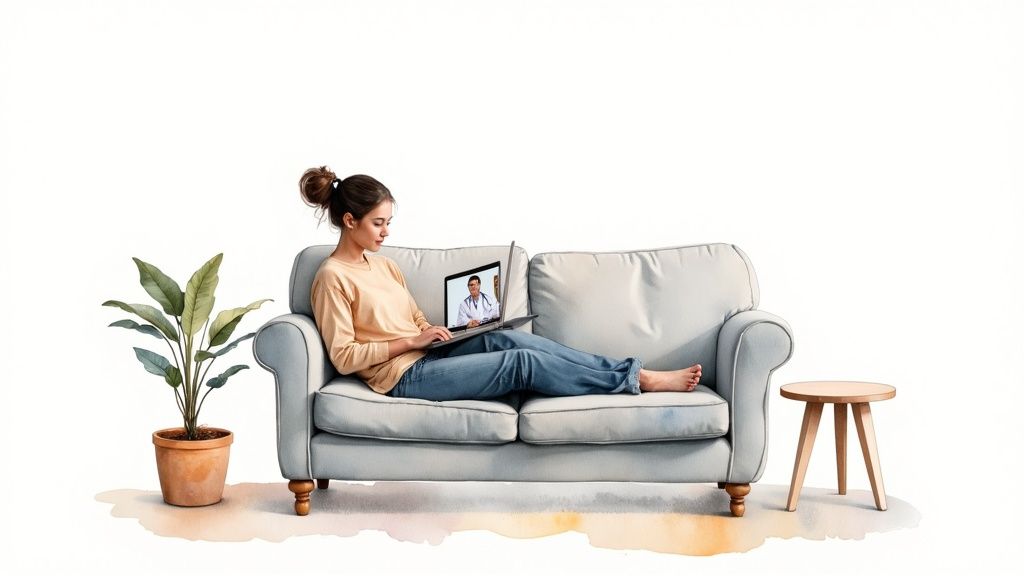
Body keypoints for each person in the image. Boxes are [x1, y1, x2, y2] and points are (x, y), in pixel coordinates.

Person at [300, 166, 702, 402]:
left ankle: (632, 371)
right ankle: (638, 380)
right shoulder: (332, 277)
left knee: (506, 339)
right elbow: (345, 356)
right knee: (520, 363)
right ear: (350, 221)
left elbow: (414, 316)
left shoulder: (384, 266)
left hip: (429, 353)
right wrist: (411, 342)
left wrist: (436, 331)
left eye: (389, 222)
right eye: (378, 223)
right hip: (401, 377)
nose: (386, 232)